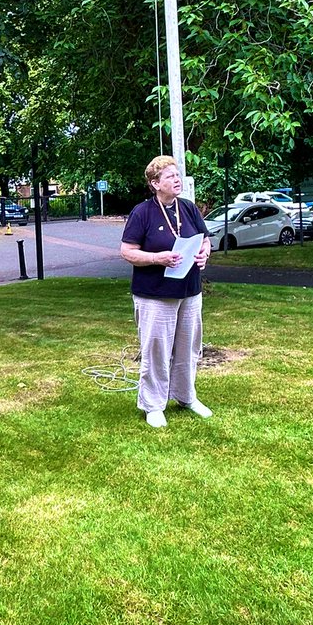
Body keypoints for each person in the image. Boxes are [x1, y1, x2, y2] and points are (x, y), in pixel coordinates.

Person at [119, 155, 213, 428]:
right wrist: (157, 258)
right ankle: (153, 405)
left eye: (177, 175)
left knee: (189, 348)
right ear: (155, 183)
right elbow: (127, 252)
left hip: (190, 291)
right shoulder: (143, 212)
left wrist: (204, 254)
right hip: (155, 294)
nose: (177, 179)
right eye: (170, 176)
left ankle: (186, 397)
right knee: (157, 350)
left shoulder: (189, 208)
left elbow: (204, 240)